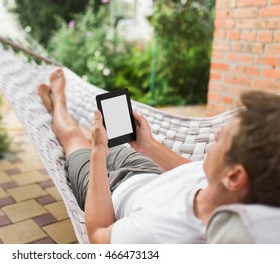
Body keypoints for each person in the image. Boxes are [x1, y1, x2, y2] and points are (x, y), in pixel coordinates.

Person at [37, 68, 280, 244]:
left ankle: (58, 102)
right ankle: (67, 118)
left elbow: (99, 235)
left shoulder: (158, 233)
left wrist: (98, 153)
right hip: (145, 169)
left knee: (73, 137)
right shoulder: (232, 192)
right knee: (92, 133)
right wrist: (148, 146)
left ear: (235, 177)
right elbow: (191, 172)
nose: (215, 133)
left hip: (109, 192)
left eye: (225, 138)